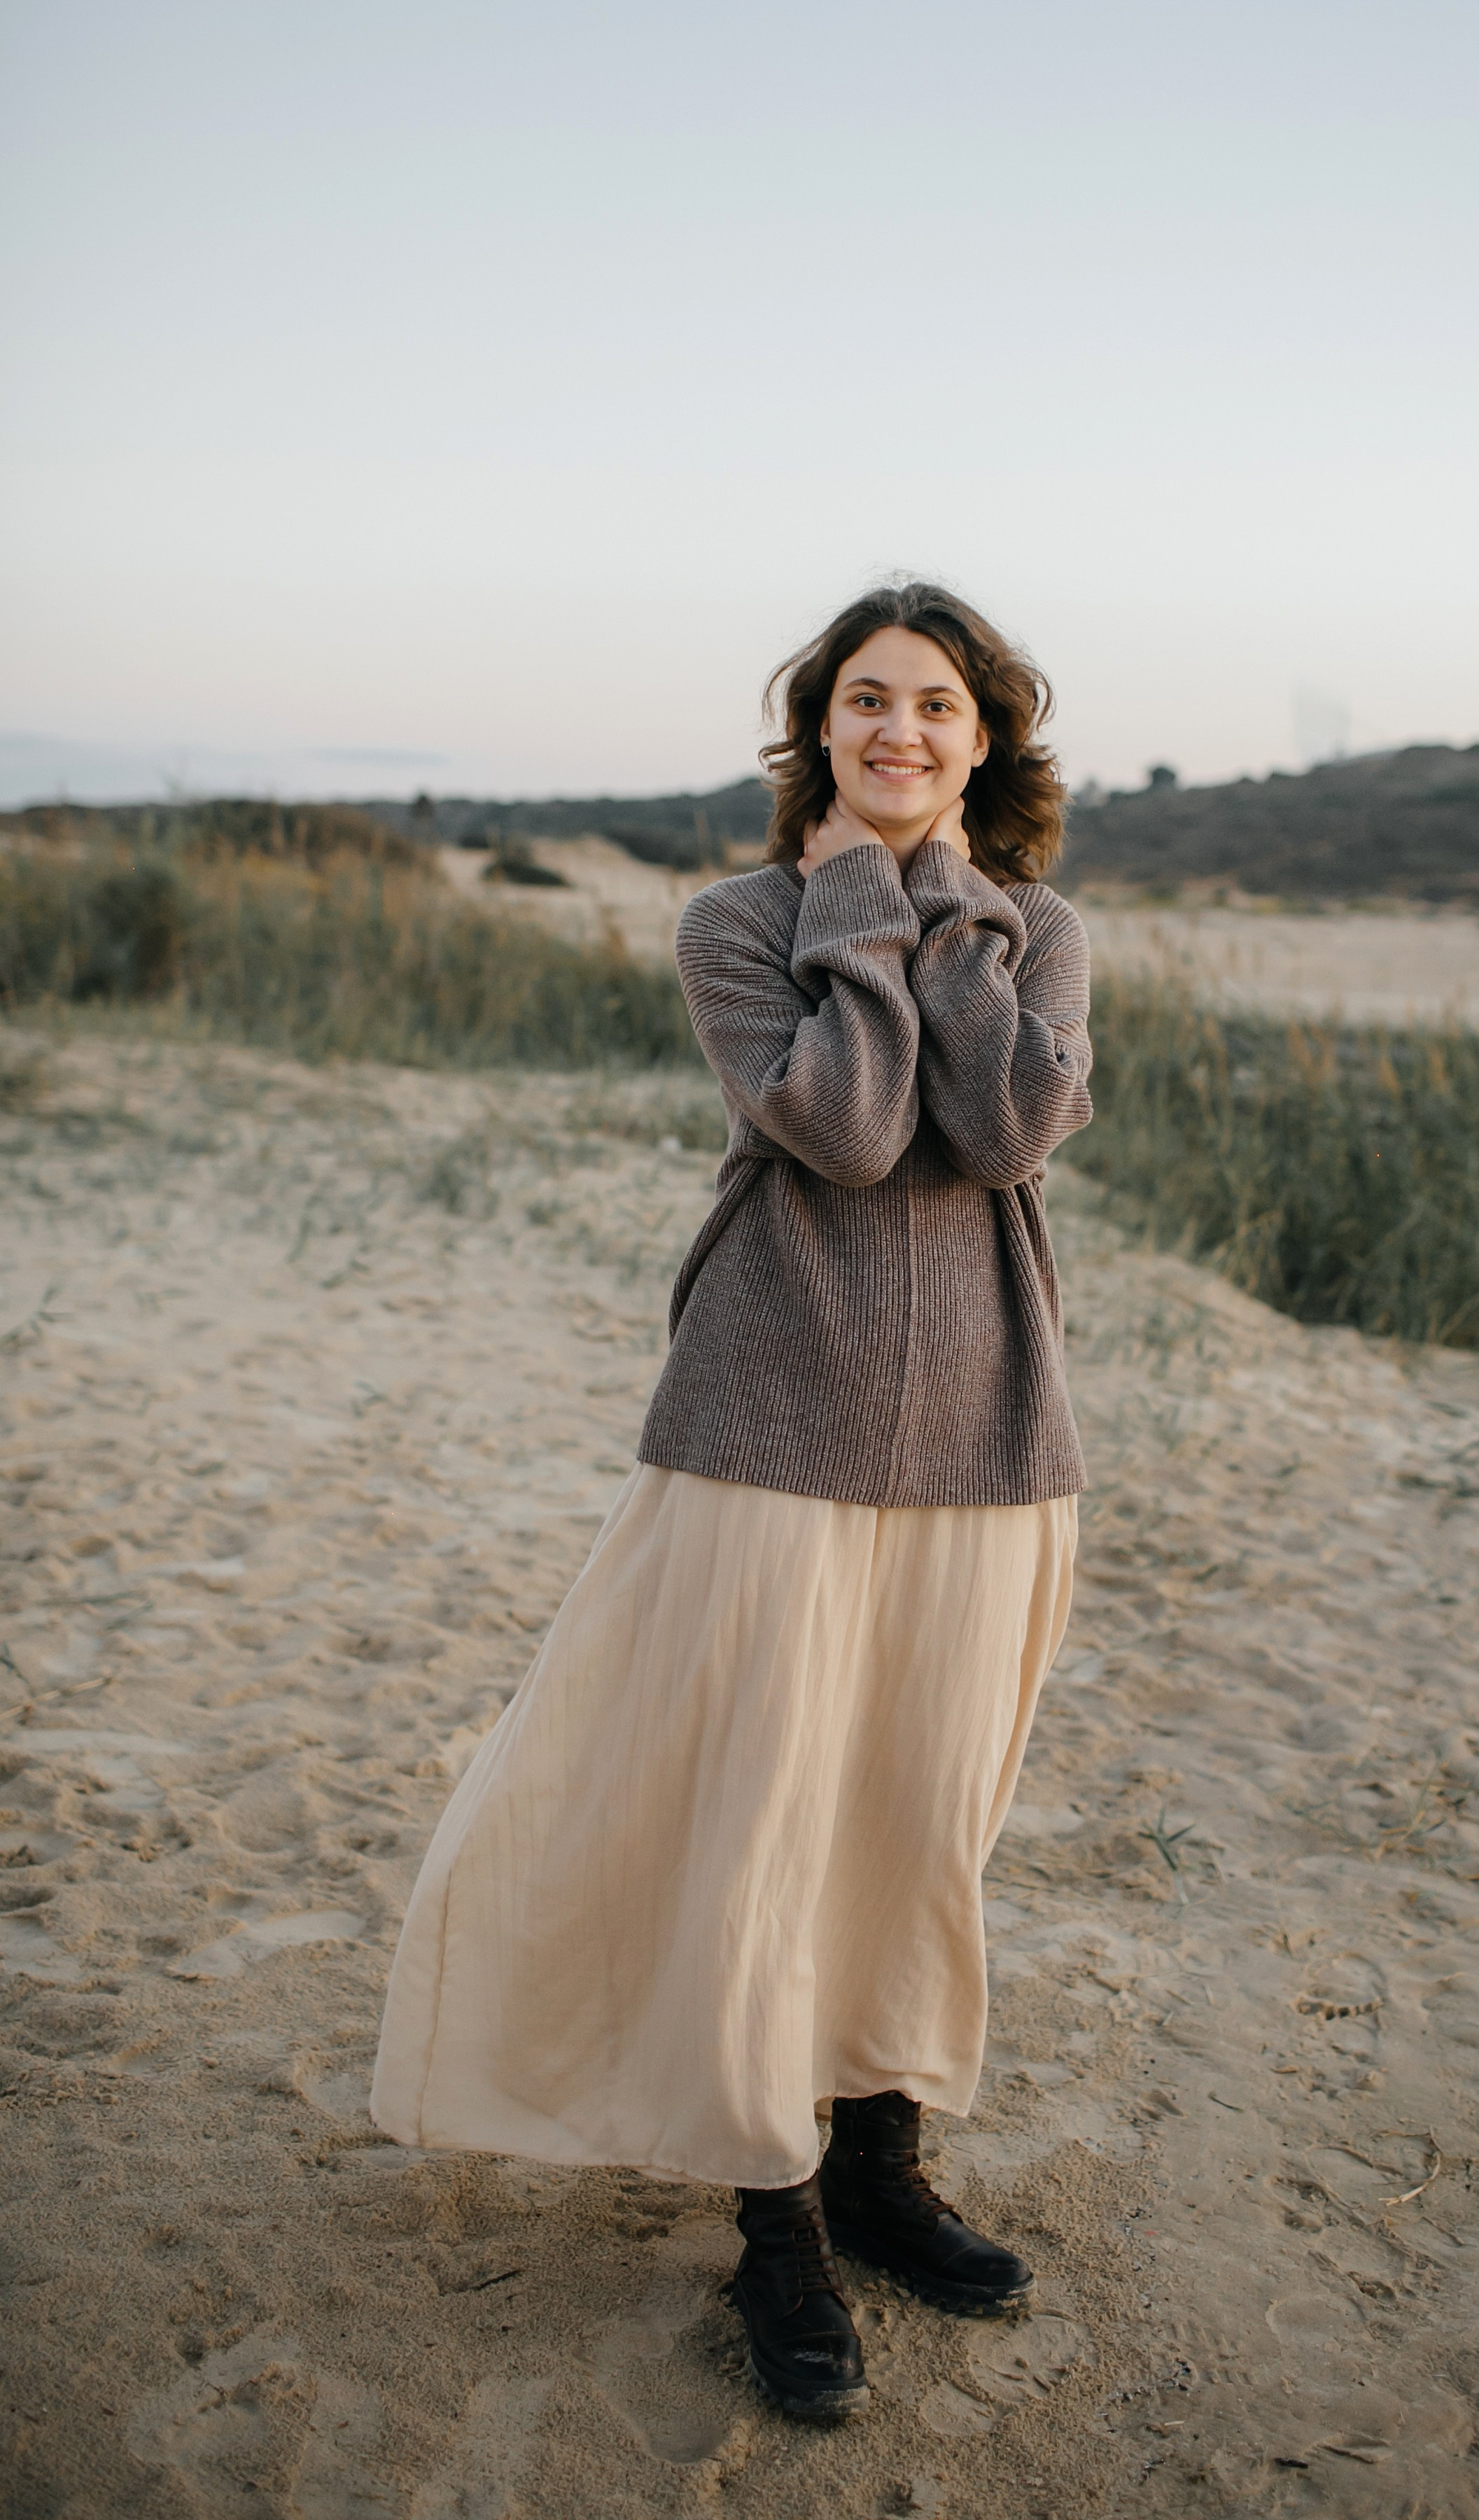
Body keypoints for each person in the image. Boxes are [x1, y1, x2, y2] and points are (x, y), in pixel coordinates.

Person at [371, 580, 1094, 2421]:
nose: (901, 732)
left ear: (987, 735)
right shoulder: (738, 921)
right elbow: (850, 1131)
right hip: (769, 1415)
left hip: (993, 1438)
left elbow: (1003, 1138)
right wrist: (860, 898)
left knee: (916, 1823)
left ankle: (878, 2162)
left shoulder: (1043, 934)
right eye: (867, 700)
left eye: (937, 705)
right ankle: (772, 2212)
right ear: (819, 731)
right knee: (764, 1819)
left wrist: (953, 929)